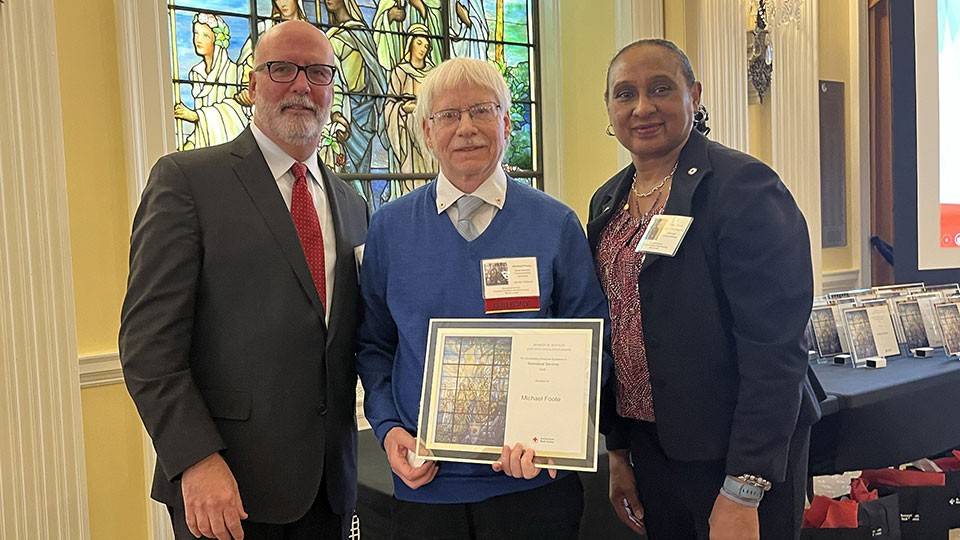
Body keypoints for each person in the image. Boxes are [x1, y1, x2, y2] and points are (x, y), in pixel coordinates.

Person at [120, 20, 368, 540]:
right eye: (282, 69)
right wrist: (195, 459)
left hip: (331, 488)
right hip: (226, 490)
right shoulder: (187, 181)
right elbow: (148, 345)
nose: (302, 85)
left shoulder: (352, 203)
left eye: (318, 72)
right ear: (251, 85)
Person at [356, 57, 610, 540]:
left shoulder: (555, 224)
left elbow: (593, 346)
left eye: (481, 111)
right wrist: (389, 428)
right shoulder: (390, 228)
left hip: (532, 490)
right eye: (448, 116)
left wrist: (551, 433)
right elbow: (374, 345)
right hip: (425, 488)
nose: (466, 128)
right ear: (427, 132)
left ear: (507, 123)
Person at [587, 39, 820, 540]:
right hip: (653, 449)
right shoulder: (606, 202)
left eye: (661, 89)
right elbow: (614, 335)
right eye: (625, 94)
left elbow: (776, 350)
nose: (642, 107)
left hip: (734, 455)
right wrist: (618, 451)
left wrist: (744, 487)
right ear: (609, 107)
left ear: (694, 94)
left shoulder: (743, 188)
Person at [326, 0, 389, 175]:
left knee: (362, 170)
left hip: (365, 111)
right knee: (345, 168)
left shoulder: (360, 32)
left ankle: (363, 202)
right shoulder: (330, 36)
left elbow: (374, 70)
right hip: (344, 110)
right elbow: (334, 79)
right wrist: (336, 112)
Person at [175, 13, 247, 150]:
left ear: (217, 41)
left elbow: (232, 111)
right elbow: (201, 129)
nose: (198, 39)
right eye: (196, 33)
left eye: (205, 35)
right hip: (204, 139)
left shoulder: (233, 71)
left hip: (229, 146)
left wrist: (195, 115)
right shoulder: (196, 74)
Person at [384, 24, 437, 178]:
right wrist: (402, 108)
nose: (422, 49)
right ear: (410, 43)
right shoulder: (400, 72)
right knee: (412, 171)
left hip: (430, 131)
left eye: (426, 46)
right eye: (419, 43)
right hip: (406, 131)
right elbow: (390, 103)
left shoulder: (433, 74)